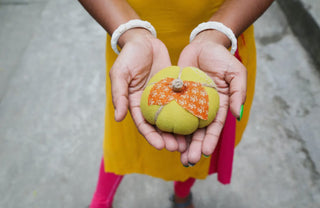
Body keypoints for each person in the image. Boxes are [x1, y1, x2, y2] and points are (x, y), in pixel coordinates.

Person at [78, 0, 274, 207]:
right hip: (134, 48)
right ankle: (101, 199)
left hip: (220, 41)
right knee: (123, 142)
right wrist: (131, 32)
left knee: (198, 145)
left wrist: (220, 32)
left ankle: (182, 193)